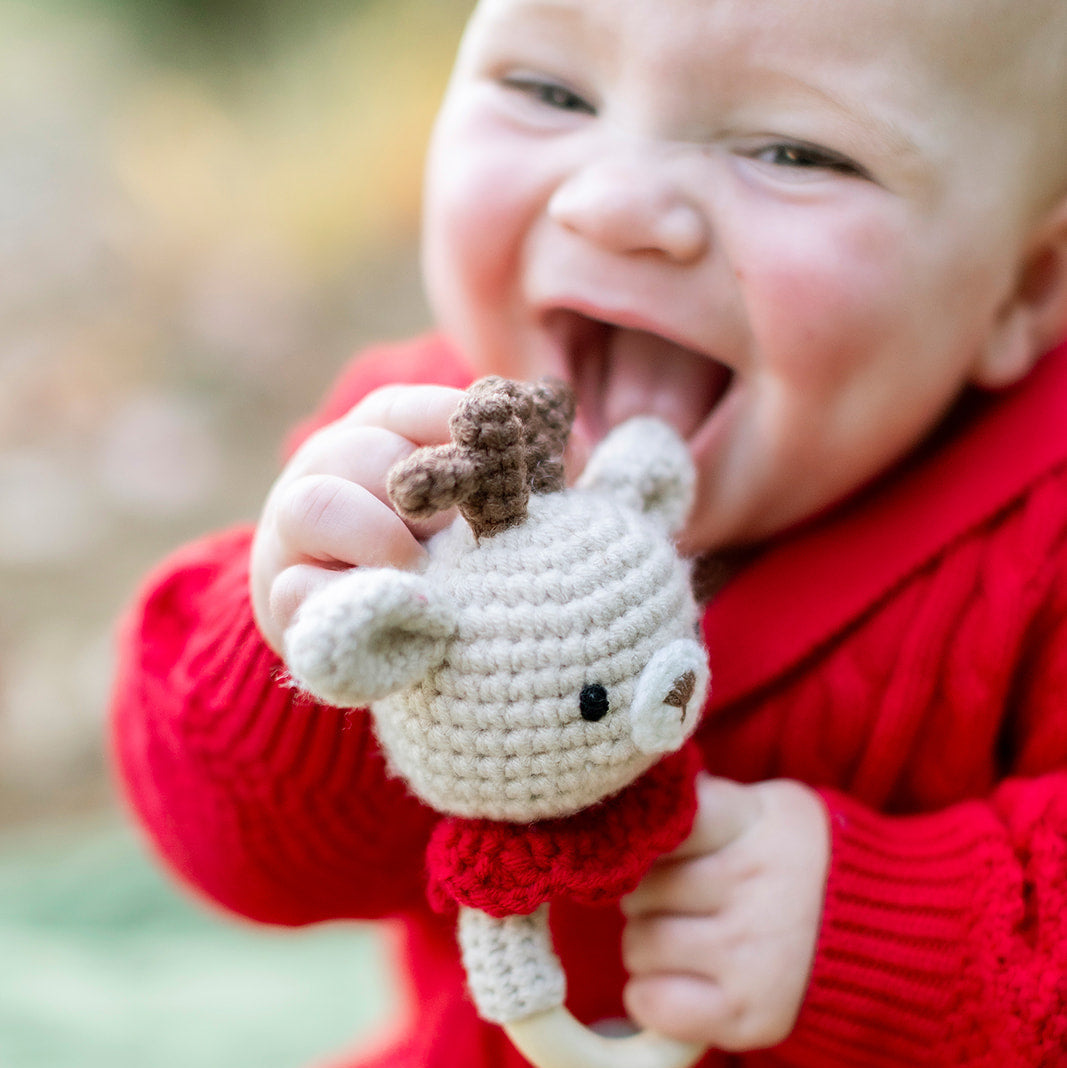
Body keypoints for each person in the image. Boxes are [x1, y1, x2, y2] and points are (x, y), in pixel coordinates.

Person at [111, 0, 1067, 1064]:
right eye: (548, 92)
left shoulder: (1041, 532)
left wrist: (886, 929)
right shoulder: (414, 459)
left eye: (797, 151)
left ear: (1023, 290)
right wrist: (295, 636)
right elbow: (248, 862)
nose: (614, 204)